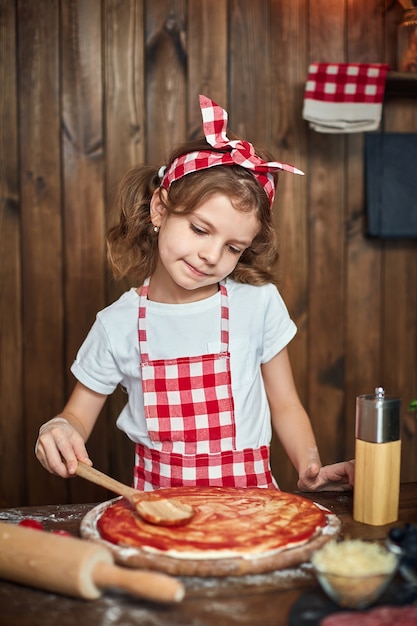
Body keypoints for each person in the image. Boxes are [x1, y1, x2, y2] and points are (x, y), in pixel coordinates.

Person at [35, 95, 354, 492]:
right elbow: (77, 417)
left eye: (233, 248)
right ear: (159, 209)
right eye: (200, 230)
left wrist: (310, 467)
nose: (211, 255)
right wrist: (60, 428)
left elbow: (286, 403)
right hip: (161, 516)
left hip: (253, 512)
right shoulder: (116, 324)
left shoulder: (258, 304)